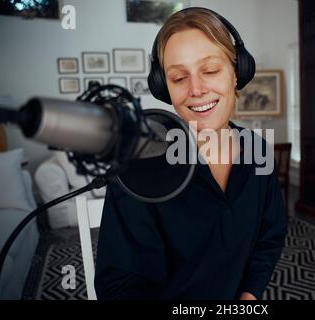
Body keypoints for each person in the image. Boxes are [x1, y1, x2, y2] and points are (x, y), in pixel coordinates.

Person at [94, 7, 287, 300]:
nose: (196, 89)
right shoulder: (139, 168)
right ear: (163, 87)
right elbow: (118, 288)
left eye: (210, 70)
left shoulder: (258, 150)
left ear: (237, 72)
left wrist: (249, 294)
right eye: (178, 78)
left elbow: (269, 238)